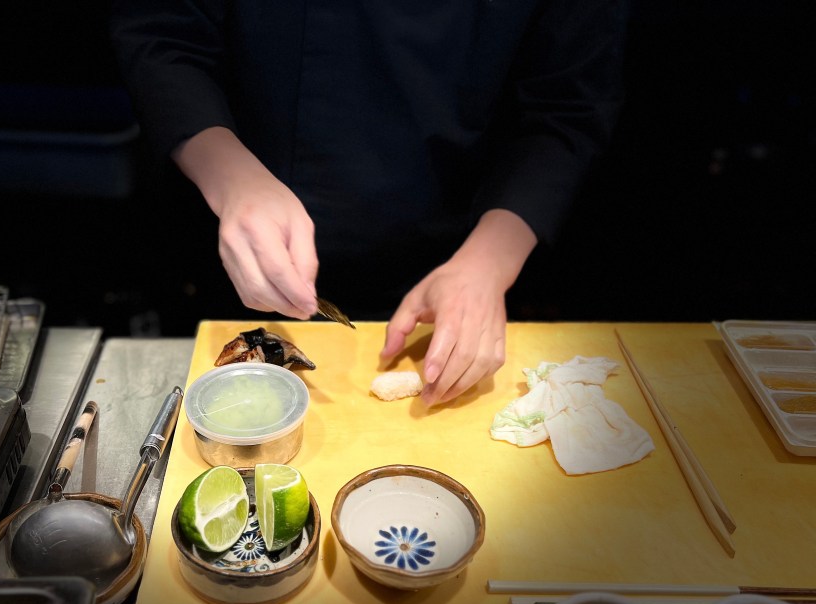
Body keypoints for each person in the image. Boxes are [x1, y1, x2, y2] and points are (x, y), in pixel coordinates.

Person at [110, 1, 628, 405]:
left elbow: (568, 107)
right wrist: (230, 176)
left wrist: (490, 262)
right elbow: (163, 36)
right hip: (227, 261)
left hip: (447, 261)